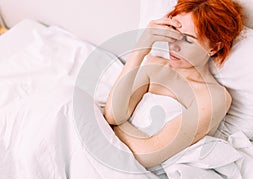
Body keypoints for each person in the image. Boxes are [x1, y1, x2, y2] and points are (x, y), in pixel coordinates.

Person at [104, 0, 244, 168]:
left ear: (214, 47)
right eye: (173, 33)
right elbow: (112, 115)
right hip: (114, 154)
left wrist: (116, 128)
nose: (174, 45)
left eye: (188, 40)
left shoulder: (214, 97)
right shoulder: (155, 65)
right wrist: (140, 50)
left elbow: (146, 156)